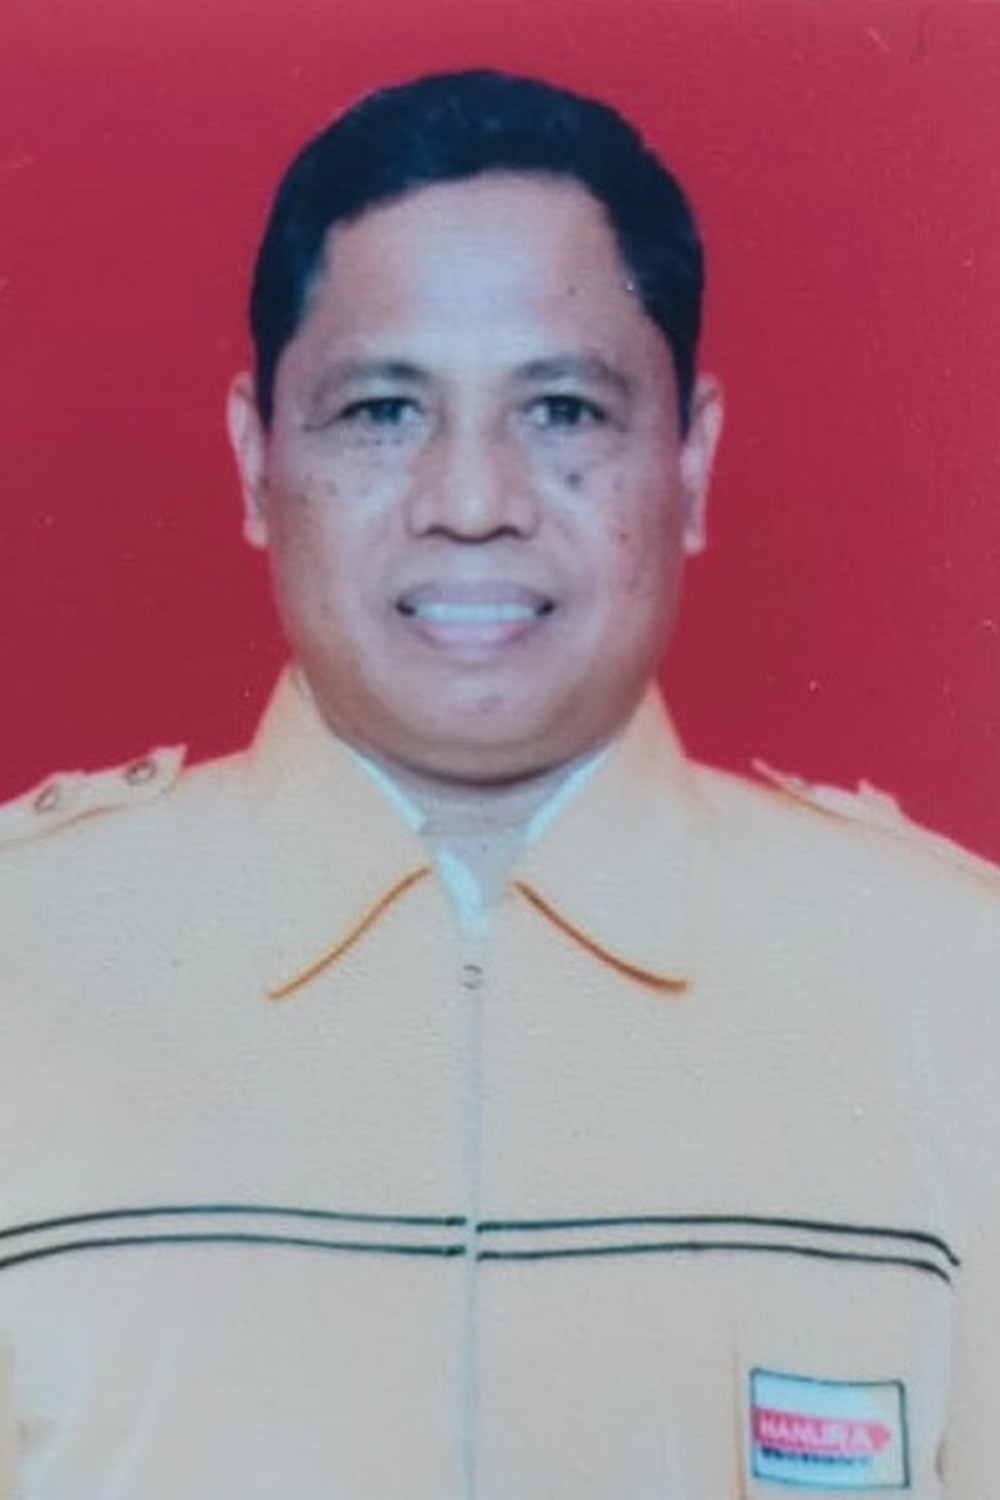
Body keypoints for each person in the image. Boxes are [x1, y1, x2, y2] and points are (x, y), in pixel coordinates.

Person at [1, 68, 998, 1500]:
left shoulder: (957, 989)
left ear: (692, 462)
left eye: (564, 410)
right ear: (255, 461)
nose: (473, 502)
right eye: (382, 409)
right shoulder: (22, 961)